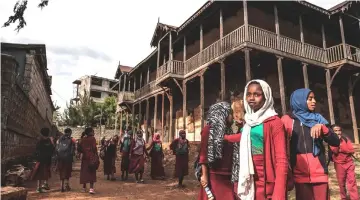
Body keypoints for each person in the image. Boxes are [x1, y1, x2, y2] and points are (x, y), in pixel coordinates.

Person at [281, 88, 340, 200]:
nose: (314, 101)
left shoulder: (318, 119)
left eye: (314, 98)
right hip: (300, 174)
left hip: (320, 173)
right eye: (310, 99)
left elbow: (336, 141)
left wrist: (323, 128)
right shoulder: (288, 120)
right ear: (299, 100)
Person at [197, 102, 235, 199]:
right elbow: (203, 154)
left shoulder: (229, 131)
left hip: (228, 176)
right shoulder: (208, 130)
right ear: (222, 113)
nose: (233, 116)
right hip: (214, 176)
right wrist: (204, 175)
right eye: (230, 113)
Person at [329, 124, 358, 200]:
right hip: (339, 164)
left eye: (339, 130)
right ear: (332, 132)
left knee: (352, 182)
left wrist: (342, 149)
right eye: (335, 131)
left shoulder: (345, 139)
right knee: (341, 183)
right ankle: (343, 198)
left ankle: (355, 198)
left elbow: (351, 150)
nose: (338, 132)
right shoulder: (331, 141)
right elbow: (335, 151)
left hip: (349, 163)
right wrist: (338, 143)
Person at [31, 128, 55, 193]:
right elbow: (53, 150)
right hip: (48, 159)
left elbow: (36, 149)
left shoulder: (39, 140)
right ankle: (46, 184)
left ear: (41, 133)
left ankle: (38, 187)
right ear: (48, 133)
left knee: (39, 173)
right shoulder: (50, 140)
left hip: (40, 159)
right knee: (46, 171)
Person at [78, 127, 98, 194]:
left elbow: (79, 148)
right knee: (92, 172)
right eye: (93, 131)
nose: (93, 132)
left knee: (84, 172)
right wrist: (96, 156)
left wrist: (84, 152)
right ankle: (91, 189)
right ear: (90, 132)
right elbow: (94, 148)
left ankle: (84, 188)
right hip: (91, 157)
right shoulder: (93, 139)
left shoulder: (83, 139)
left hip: (84, 158)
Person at [56, 128, 76, 192]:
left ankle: (61, 186)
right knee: (67, 171)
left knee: (61, 171)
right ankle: (67, 185)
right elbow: (73, 150)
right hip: (68, 158)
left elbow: (56, 149)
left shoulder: (59, 139)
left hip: (60, 158)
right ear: (69, 132)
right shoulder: (72, 140)